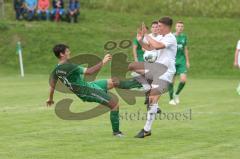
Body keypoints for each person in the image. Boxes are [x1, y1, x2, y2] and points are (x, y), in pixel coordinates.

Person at [46, 44, 124, 137]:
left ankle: (141, 85)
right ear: (62, 54)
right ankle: (116, 132)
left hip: (88, 86)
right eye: (67, 51)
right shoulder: (69, 66)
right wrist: (103, 62)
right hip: (86, 91)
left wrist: (50, 99)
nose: (69, 52)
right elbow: (90, 71)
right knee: (115, 105)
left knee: (114, 81)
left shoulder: (56, 70)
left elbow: (52, 86)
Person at [128, 17, 177, 138]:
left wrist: (147, 35)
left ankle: (146, 130)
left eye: (159, 26)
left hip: (166, 73)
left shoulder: (170, 38)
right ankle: (147, 86)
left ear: (166, 27)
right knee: (132, 66)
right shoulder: (161, 37)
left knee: (152, 100)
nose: (157, 28)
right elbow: (149, 48)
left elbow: (158, 46)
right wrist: (140, 40)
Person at [168, 21, 190, 105]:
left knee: (183, 80)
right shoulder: (171, 37)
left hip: (181, 61)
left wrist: (187, 61)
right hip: (172, 61)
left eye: (181, 26)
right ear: (175, 27)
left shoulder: (184, 37)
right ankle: (171, 99)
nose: (180, 28)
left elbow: (185, 49)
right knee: (171, 81)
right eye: (178, 26)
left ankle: (176, 94)